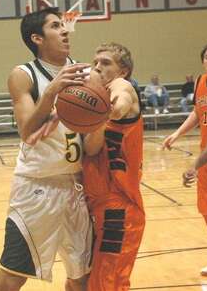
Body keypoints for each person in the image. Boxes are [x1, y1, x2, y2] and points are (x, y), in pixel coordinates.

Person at [0, 7, 92, 291]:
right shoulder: (23, 74)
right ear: (37, 38)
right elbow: (27, 130)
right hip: (36, 188)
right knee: (10, 280)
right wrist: (52, 91)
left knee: (82, 278)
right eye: (55, 26)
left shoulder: (85, 72)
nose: (65, 30)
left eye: (64, 25)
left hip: (76, 186)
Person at [82, 42, 145, 291]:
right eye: (95, 62)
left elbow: (121, 104)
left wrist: (112, 107)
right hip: (99, 207)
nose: (98, 67)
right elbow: (91, 149)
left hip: (120, 208)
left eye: (106, 63)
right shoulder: (98, 106)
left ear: (123, 70)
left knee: (106, 284)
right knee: (95, 282)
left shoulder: (121, 86)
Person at [163, 42, 207, 276]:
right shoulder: (199, 83)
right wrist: (177, 133)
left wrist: (193, 166)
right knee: (205, 208)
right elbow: (197, 112)